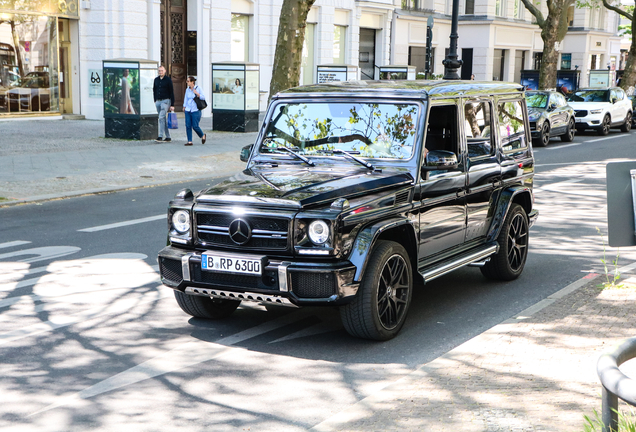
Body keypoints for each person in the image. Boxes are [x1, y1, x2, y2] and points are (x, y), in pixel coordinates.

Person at [183, 76, 206, 146]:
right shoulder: (187, 89)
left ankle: (202, 135)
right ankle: (189, 141)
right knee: (188, 125)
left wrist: (197, 93)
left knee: (195, 126)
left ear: (192, 82)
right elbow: (186, 98)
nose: (187, 82)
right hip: (188, 109)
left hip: (195, 109)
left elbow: (203, 97)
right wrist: (184, 106)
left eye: (188, 81)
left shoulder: (198, 88)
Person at [153, 65, 175, 142]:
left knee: (161, 117)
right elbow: (154, 90)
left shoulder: (168, 80)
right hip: (158, 101)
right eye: (159, 71)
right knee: (162, 119)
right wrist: (155, 100)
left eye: (162, 70)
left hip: (166, 101)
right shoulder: (156, 80)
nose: (160, 72)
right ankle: (168, 136)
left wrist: (172, 104)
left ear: (165, 71)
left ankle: (160, 136)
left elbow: (171, 92)